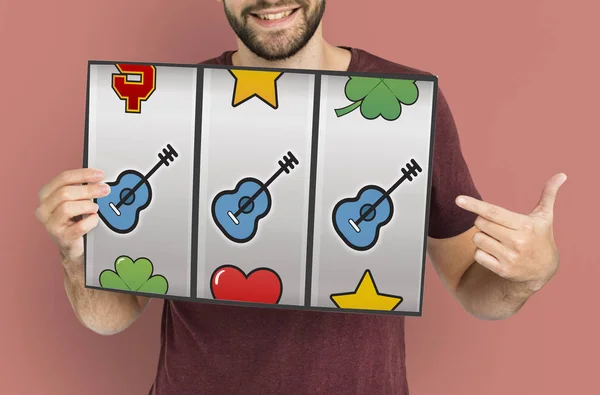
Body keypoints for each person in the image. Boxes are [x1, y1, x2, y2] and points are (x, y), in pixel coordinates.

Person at [35, 1, 566, 394]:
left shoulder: (404, 103)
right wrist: (73, 252)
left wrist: (530, 274)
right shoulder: (166, 109)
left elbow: (474, 289)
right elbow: (111, 314)